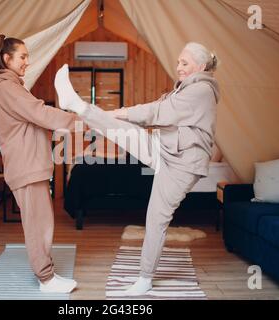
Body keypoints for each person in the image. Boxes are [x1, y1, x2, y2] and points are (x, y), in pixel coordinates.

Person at [54, 42, 220, 295]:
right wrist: (118, 115)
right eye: (178, 62)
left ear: (201, 66)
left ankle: (145, 278)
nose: (178, 67)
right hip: (166, 151)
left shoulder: (202, 91)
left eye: (184, 63)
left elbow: (158, 111)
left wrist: (121, 111)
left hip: (181, 164)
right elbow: (158, 109)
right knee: (125, 132)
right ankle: (78, 105)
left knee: (156, 219)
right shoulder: (185, 89)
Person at [0, 35, 79, 293]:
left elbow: (34, 119)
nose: (27, 61)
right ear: (7, 59)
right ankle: (46, 279)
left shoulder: (12, 87)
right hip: (25, 166)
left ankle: (47, 273)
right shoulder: (7, 88)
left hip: (30, 165)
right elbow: (39, 113)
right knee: (38, 224)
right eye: (23, 56)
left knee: (42, 221)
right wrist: (78, 117)